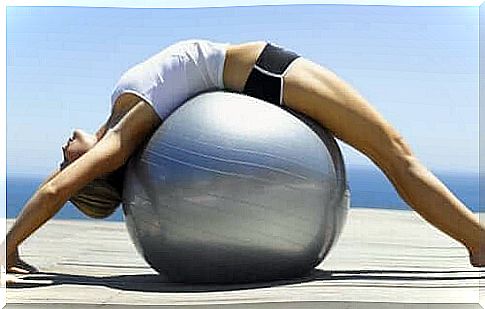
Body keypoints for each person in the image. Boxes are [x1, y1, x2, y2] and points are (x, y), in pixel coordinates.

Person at [4, 39, 484, 277]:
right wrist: (9, 246)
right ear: (94, 169)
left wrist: (19, 237)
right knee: (396, 154)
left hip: (260, 80)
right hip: (266, 74)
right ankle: (477, 240)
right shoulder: (122, 136)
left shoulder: (116, 125)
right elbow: (56, 189)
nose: (62, 150)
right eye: (66, 158)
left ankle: (476, 239)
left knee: (395, 155)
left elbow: (63, 183)